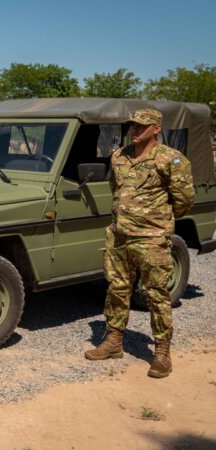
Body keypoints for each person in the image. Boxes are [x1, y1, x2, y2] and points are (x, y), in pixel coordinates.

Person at [84, 108, 194, 379]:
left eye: (141, 126)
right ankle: (113, 342)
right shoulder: (119, 156)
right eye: (132, 126)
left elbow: (183, 200)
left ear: (156, 128)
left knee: (156, 294)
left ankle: (161, 352)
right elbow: (117, 190)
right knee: (117, 289)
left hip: (152, 239)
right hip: (120, 236)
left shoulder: (171, 160)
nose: (134, 130)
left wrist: (157, 221)